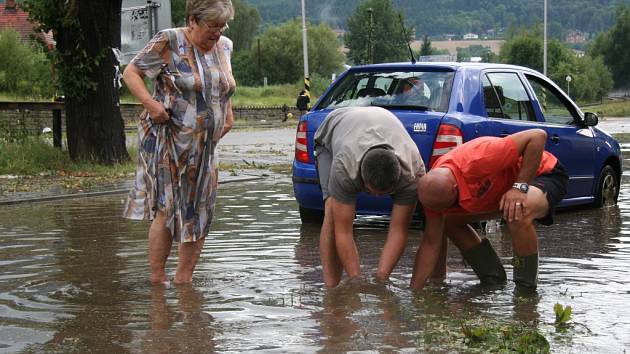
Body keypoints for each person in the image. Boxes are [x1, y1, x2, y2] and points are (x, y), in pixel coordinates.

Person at [122, 0, 236, 286]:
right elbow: (131, 73)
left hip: (206, 146)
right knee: (168, 208)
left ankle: (184, 280)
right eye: (212, 25)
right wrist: (150, 104)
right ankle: (158, 282)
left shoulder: (225, 46)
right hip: (168, 140)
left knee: (201, 209)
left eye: (222, 25)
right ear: (192, 20)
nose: (218, 32)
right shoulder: (170, 40)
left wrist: (228, 113)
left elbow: (223, 85)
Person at [410, 129, 568, 292]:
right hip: (501, 194)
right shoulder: (432, 192)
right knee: (448, 221)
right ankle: (493, 278)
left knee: (518, 211)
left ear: (454, 188)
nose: (444, 210)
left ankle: (525, 291)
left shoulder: (480, 157)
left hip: (542, 174)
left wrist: (519, 187)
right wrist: (417, 292)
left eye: (448, 205)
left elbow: (537, 136)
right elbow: (431, 243)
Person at [314, 106, 426, 288]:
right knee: (332, 212)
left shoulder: (410, 171)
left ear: (397, 180)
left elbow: (399, 229)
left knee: (382, 275)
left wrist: (381, 279)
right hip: (334, 127)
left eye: (384, 193)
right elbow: (343, 232)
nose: (377, 197)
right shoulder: (345, 166)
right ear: (362, 180)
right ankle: (331, 287)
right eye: (373, 192)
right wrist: (356, 281)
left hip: (381, 122)